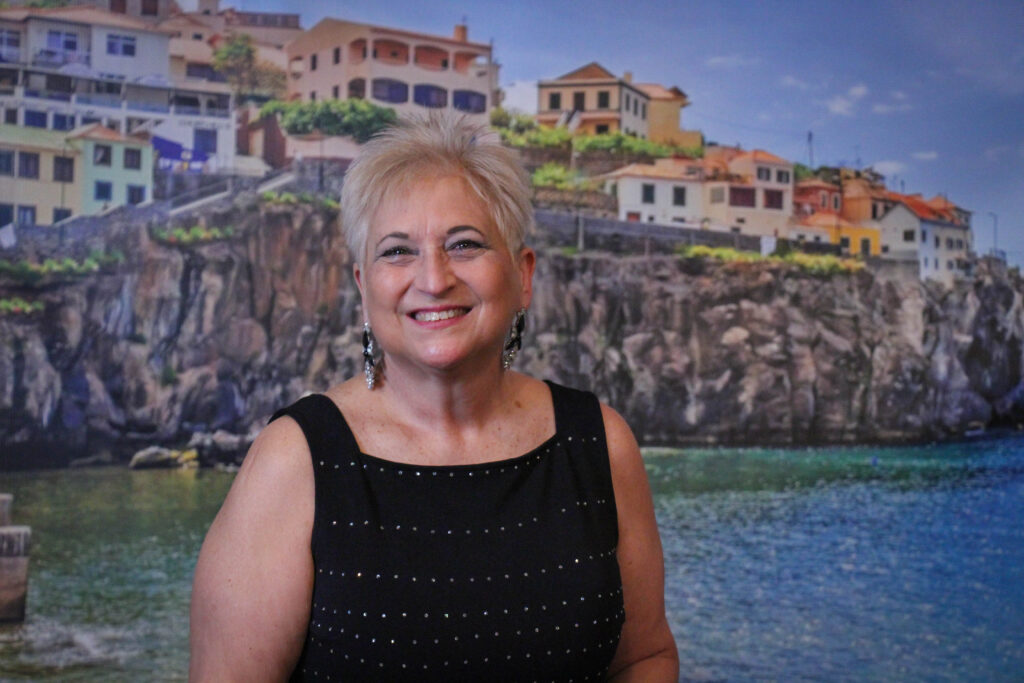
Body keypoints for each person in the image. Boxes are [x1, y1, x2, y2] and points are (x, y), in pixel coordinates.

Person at [189, 114, 678, 682]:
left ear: (522, 275)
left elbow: (645, 657)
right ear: (362, 287)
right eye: (397, 252)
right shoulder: (293, 463)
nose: (434, 278)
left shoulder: (599, 443)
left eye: (464, 244)